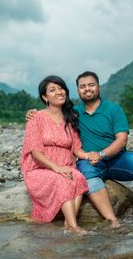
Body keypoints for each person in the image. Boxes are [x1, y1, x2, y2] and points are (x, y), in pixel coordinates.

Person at [26, 71, 133, 227]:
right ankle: (113, 220)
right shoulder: (74, 113)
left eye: (91, 85)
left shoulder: (113, 109)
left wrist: (101, 154)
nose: (87, 89)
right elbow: (52, 115)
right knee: (86, 175)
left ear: (98, 87)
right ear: (78, 90)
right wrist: (30, 113)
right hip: (90, 162)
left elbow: (122, 139)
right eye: (82, 87)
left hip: (117, 158)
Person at [20, 75, 90, 235]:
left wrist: (88, 156)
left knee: (78, 177)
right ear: (45, 97)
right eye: (53, 90)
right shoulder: (36, 118)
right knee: (62, 180)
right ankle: (74, 226)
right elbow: (35, 152)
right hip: (40, 169)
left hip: (65, 166)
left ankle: (67, 223)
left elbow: (76, 148)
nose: (59, 92)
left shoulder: (70, 118)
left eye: (61, 88)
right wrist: (56, 168)